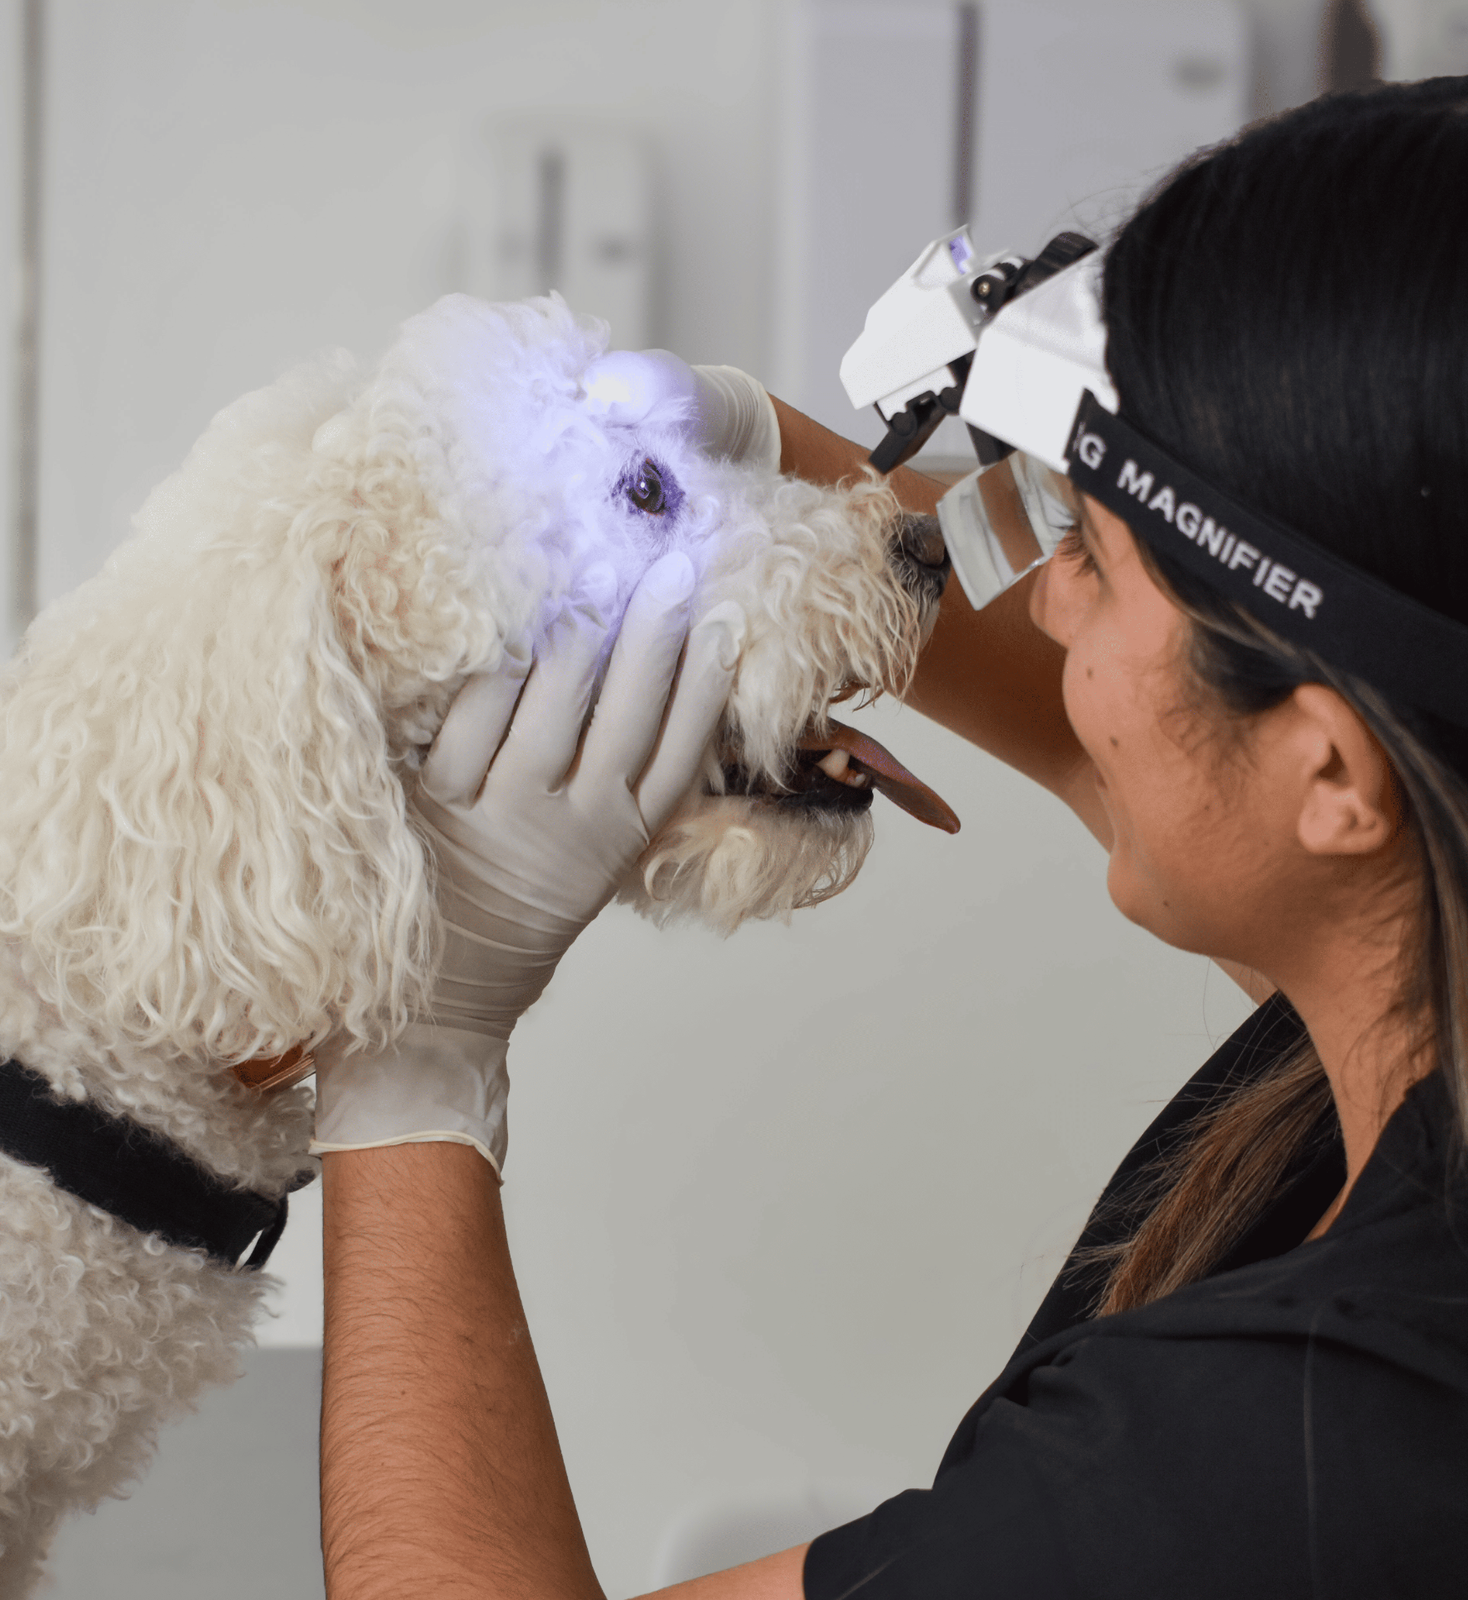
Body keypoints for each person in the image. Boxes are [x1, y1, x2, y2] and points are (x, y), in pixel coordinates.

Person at [316, 79, 1468, 1598]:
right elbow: (1150, 750)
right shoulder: (1405, 983)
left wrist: (414, 1067)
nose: (1042, 600)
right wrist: (760, 450)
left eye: (1094, 562)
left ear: (1331, 776)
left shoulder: (1295, 1457)